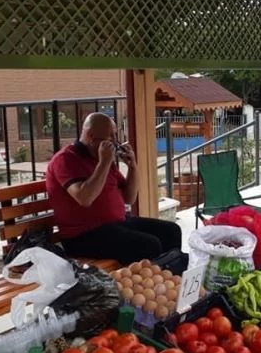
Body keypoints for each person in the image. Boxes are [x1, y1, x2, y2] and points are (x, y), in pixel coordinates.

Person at [46, 112, 182, 264]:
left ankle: (171, 280)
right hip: (82, 235)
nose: (115, 142)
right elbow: (84, 198)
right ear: (90, 137)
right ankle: (146, 284)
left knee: (171, 231)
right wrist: (104, 163)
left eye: (116, 136)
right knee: (148, 245)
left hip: (115, 224)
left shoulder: (103, 159)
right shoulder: (65, 159)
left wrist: (132, 166)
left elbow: (129, 197)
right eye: (110, 137)